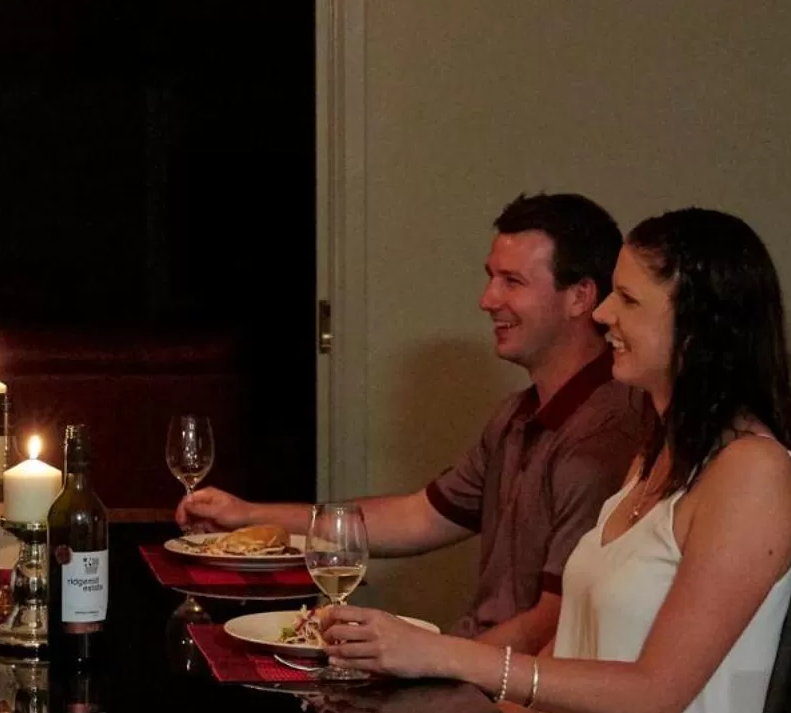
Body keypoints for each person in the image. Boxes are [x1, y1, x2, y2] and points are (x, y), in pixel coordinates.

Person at [319, 208, 791, 713]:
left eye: (628, 299)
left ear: (697, 327)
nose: (603, 314)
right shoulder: (655, 456)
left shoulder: (751, 473)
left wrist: (440, 655)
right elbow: (565, 668)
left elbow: (655, 693)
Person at [179, 192, 649, 651]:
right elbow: (417, 517)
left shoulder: (604, 435)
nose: (487, 300)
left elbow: (553, 626)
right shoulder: (516, 415)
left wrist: (429, 676)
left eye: (512, 281)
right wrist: (247, 514)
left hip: (513, 694)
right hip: (477, 664)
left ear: (581, 297)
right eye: (491, 278)